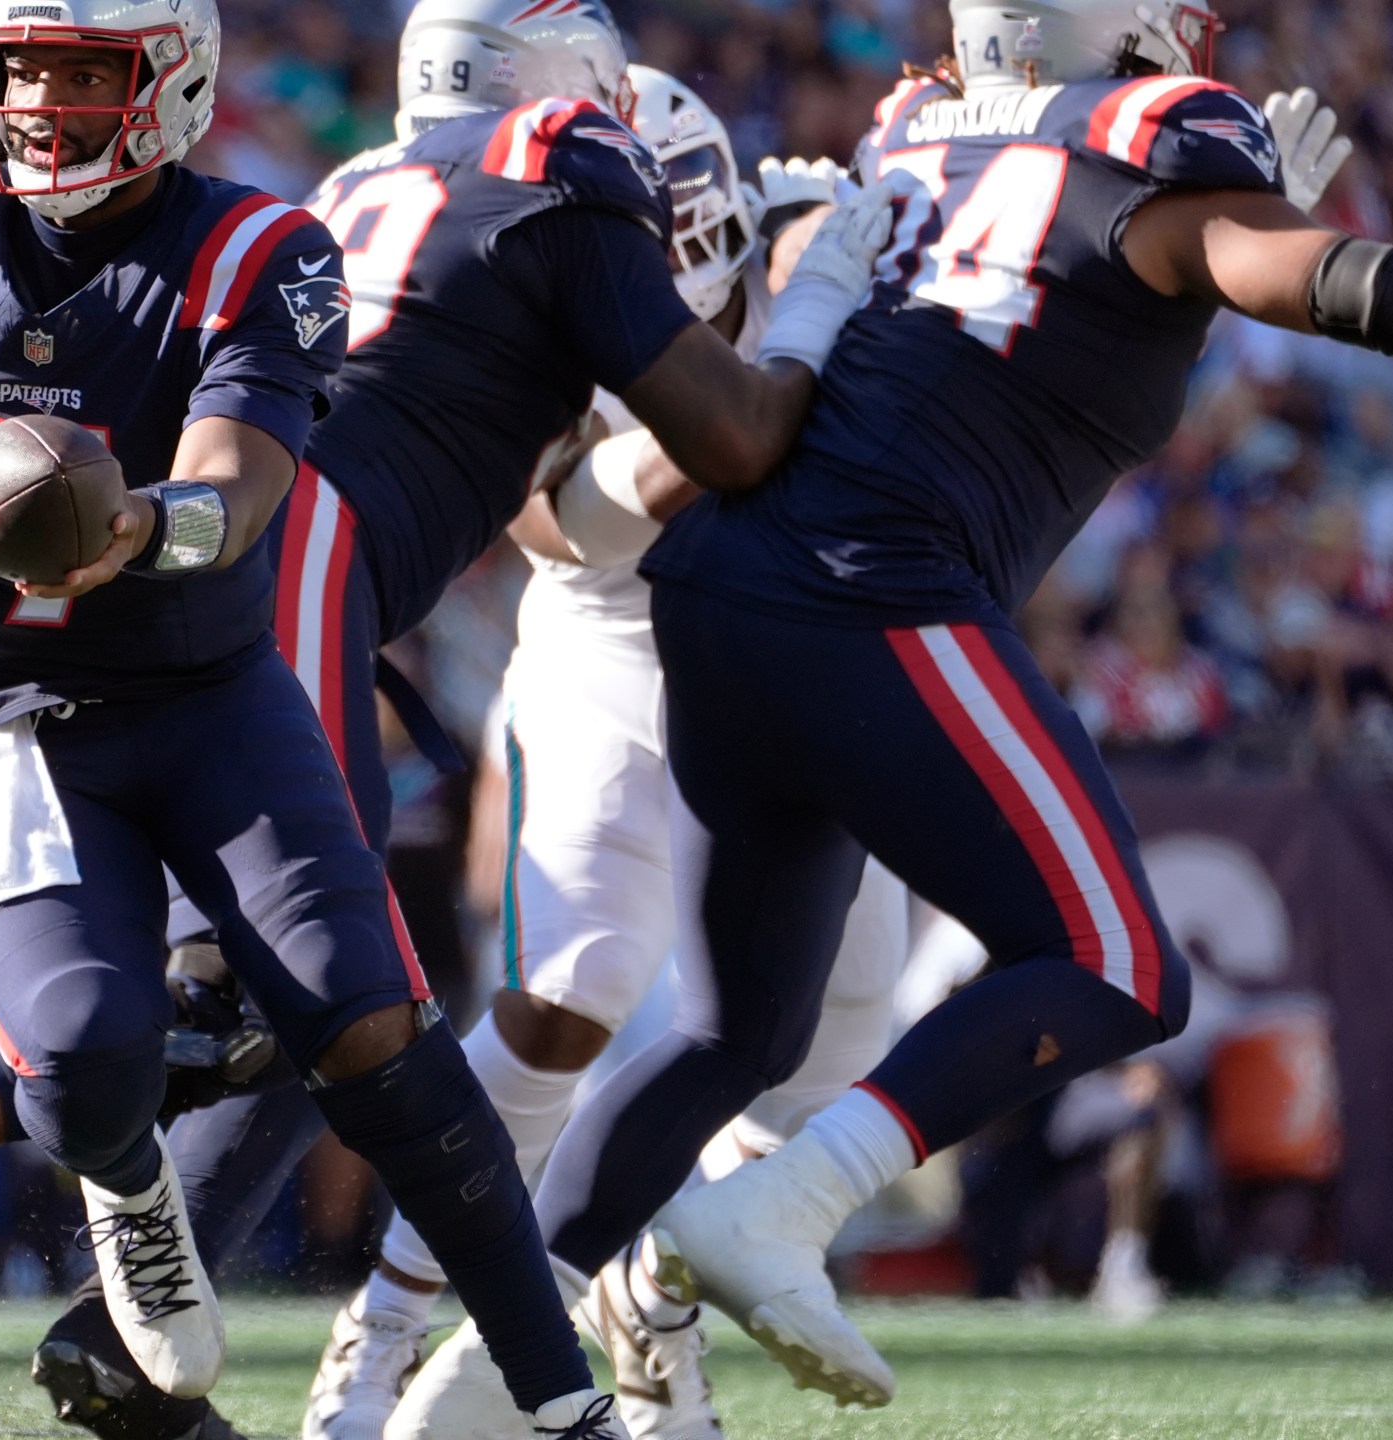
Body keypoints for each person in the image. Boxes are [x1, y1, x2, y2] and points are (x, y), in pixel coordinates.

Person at [0, 0, 899, 1433]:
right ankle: (70, 1258)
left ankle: (196, 1327)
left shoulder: (359, 192)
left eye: (84, 70)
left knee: (334, 1002)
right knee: (283, 1001)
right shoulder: (560, 177)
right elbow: (725, 436)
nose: (46, 103)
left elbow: (546, 515)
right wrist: (818, 314)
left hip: (266, 566)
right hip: (261, 573)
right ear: (579, 98)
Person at [416, 0, 1393, 1420]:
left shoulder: (921, 139)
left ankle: (484, 1376)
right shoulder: (1148, 161)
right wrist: (1266, 241)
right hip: (873, 588)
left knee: (736, 1032)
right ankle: (779, 1210)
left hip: (720, 589)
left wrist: (1213, 240)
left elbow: (1062, 312)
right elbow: (1348, 288)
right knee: (1115, 963)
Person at [307, 64, 913, 1440]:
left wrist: (864, 226)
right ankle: (387, 1325)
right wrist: (798, 346)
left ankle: (656, 1291)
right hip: (614, 656)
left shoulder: (786, 241)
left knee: (834, 1053)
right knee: (567, 997)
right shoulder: (522, 299)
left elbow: (865, 241)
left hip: (794, 664)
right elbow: (568, 523)